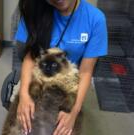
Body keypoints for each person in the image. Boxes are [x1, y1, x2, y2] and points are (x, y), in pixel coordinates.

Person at [14, 0, 108, 135]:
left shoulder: (95, 19)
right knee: (23, 124)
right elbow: (30, 57)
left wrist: (73, 112)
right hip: (37, 75)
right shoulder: (35, 10)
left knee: (64, 126)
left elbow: (86, 72)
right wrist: (24, 95)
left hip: (68, 81)